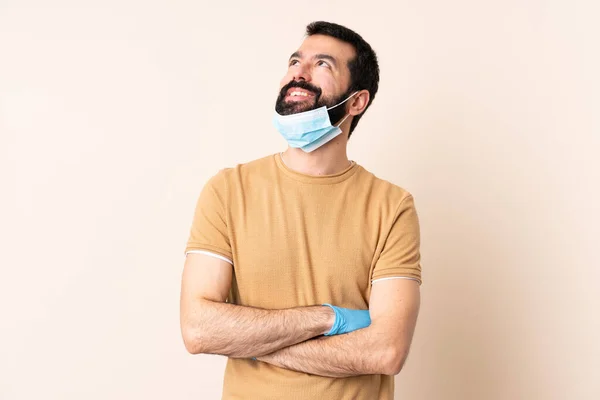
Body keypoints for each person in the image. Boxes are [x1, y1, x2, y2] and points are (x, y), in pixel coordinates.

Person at [180, 21, 422, 400]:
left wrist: (253, 342)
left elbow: (385, 351)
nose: (299, 72)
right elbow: (198, 329)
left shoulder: (391, 206)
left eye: (322, 64)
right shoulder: (228, 190)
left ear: (357, 101)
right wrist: (328, 318)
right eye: (295, 61)